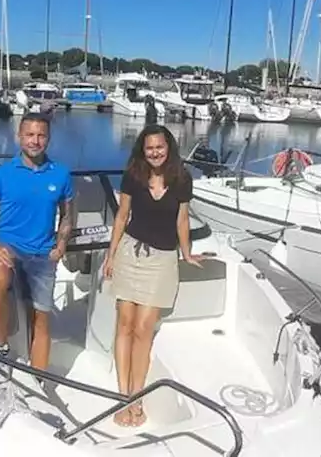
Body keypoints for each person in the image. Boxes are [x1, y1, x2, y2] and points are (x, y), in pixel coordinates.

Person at [103, 124, 202, 426]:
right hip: (130, 253)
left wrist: (186, 253)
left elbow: (182, 220)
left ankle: (137, 395)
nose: (155, 152)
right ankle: (123, 398)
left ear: (168, 147)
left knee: (144, 329)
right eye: (149, 148)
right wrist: (111, 254)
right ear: (142, 151)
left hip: (162, 260)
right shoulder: (133, 175)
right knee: (125, 324)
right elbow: (122, 216)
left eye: (160, 147)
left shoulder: (182, 179)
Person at [0, 114, 76, 372]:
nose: (35, 141)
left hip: (43, 255)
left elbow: (67, 215)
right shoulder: (1, 174)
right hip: (8, 249)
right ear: (19, 137)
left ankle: (38, 379)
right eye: (29, 135)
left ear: (49, 139)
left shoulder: (61, 174)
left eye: (41, 135)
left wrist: (61, 244)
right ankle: (1, 346)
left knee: (42, 319)